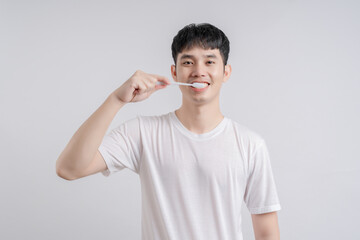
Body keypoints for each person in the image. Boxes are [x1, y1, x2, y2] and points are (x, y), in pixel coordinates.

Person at [56, 23, 281, 240]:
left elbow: (267, 234)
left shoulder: (250, 144)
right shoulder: (143, 132)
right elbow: (69, 168)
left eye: (209, 61)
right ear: (174, 72)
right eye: (188, 62)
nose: (199, 71)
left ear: (226, 72)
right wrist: (116, 100)